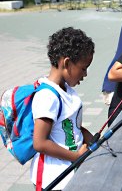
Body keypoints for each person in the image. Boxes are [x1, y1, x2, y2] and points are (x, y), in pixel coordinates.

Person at [30, 27, 94, 190]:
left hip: (70, 172)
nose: (85, 74)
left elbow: (73, 126)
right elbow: (40, 143)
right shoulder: (47, 96)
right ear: (66, 63)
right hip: (53, 178)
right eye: (83, 68)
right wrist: (76, 156)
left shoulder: (67, 90)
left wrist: (92, 140)